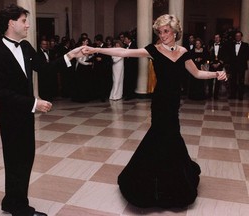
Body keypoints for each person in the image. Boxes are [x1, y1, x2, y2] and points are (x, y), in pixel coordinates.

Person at [83, 14, 227, 208]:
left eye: (166, 31)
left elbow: (197, 73)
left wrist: (216, 74)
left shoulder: (184, 52)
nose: (163, 35)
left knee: (172, 136)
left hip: (174, 102)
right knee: (161, 136)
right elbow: (125, 53)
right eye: (160, 31)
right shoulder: (154, 50)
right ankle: (150, 182)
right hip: (160, 103)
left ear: (175, 31)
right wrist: (94, 48)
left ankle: (174, 180)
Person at [0, 4, 84, 216]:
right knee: (16, 161)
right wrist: (33, 103)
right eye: (24, 20)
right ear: (11, 23)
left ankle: (10, 201)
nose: (28, 24)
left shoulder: (26, 46)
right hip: (11, 117)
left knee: (25, 158)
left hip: (25, 116)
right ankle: (19, 207)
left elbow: (46, 68)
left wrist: (70, 56)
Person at [227, 31, 249, 100]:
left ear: (241, 37)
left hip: (241, 66)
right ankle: (232, 95)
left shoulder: (246, 45)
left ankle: (240, 96)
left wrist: (241, 59)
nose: (237, 37)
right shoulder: (231, 45)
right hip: (233, 66)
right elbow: (229, 55)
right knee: (232, 81)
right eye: (236, 36)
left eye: (239, 36)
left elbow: (247, 56)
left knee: (241, 81)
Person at [207, 33, 226, 100]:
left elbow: (225, 56)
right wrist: (211, 63)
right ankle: (209, 95)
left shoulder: (223, 46)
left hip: (219, 65)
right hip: (212, 65)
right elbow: (208, 56)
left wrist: (219, 63)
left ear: (220, 38)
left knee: (218, 81)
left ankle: (216, 95)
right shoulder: (210, 46)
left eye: (217, 37)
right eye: (215, 38)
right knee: (210, 81)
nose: (216, 39)